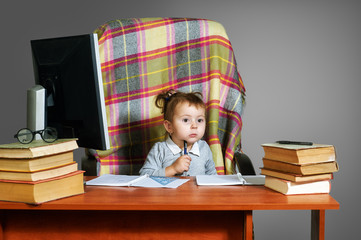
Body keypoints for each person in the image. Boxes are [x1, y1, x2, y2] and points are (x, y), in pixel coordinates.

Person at [139, 89, 217, 177]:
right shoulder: (160, 150)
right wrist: (173, 169)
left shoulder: (204, 148)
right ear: (169, 126)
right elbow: (144, 176)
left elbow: (212, 177)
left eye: (199, 120)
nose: (194, 125)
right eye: (186, 120)